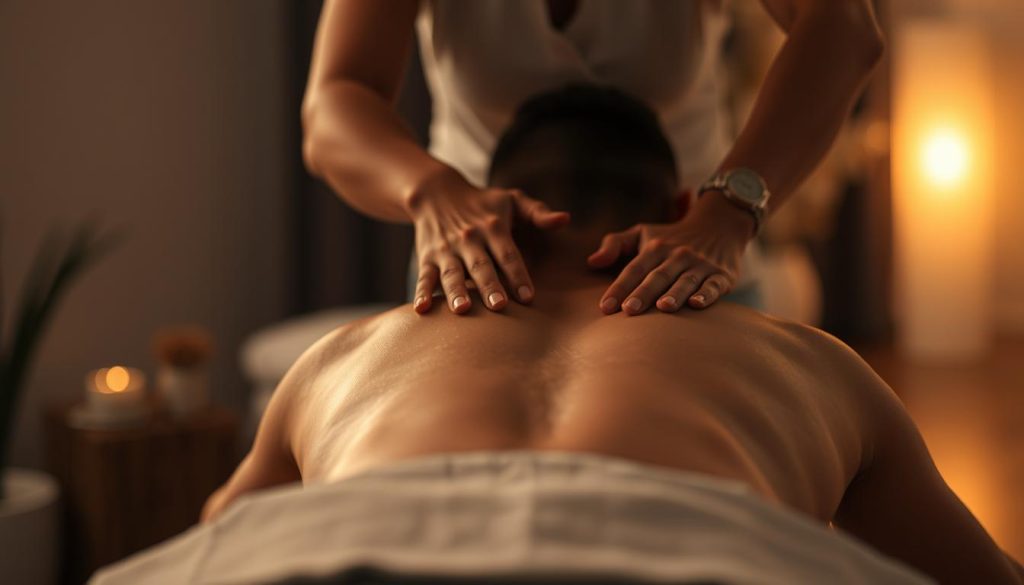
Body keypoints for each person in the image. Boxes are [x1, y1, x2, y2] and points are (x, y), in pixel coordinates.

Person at [194, 87, 1023, 585]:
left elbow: (218, 539)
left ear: (496, 207)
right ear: (679, 209)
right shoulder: (814, 363)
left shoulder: (336, 360)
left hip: (353, 548)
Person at [301, 0, 885, 317]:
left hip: (686, 265)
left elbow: (843, 26)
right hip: (476, 266)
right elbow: (334, 103)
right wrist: (432, 191)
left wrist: (730, 212)